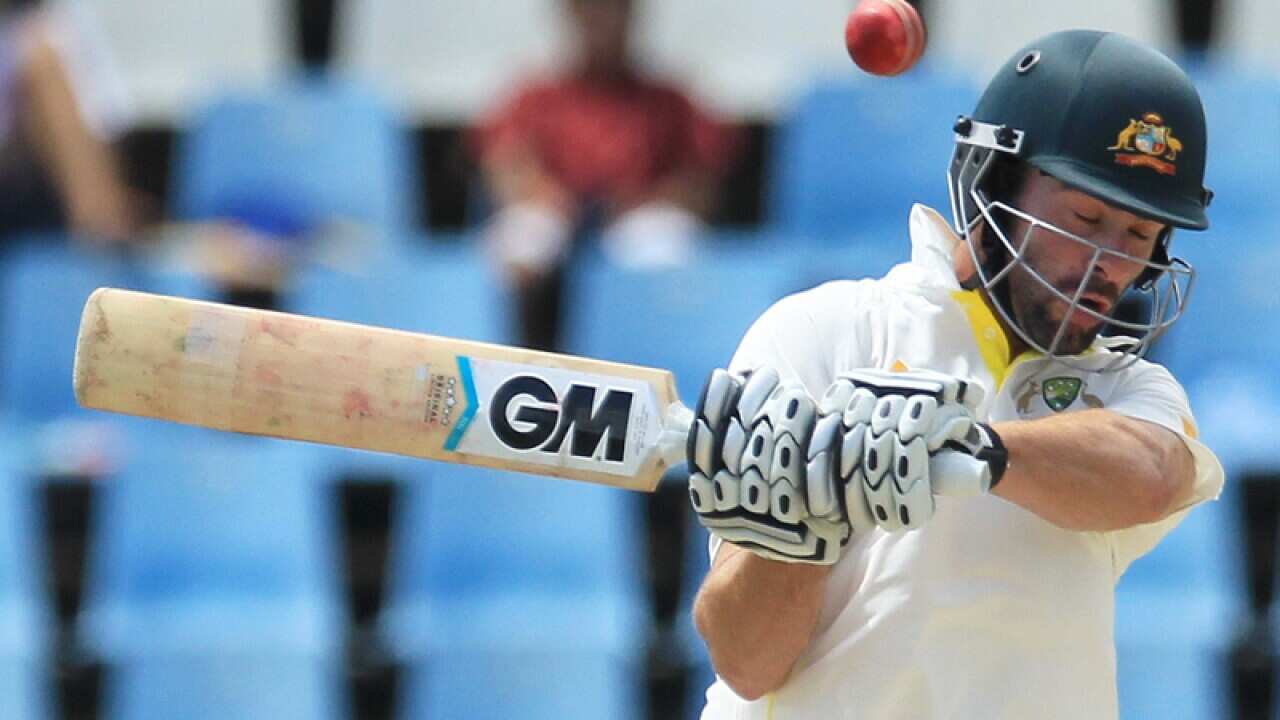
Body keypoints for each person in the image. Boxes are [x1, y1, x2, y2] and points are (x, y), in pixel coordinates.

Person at [685, 30, 1223, 719]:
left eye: (1139, 237)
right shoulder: (826, 332)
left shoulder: (1127, 389)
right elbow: (745, 662)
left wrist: (962, 445)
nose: (1109, 264)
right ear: (995, 182)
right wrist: (815, 506)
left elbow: (1151, 476)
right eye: (1085, 217)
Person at [472, 0, 737, 351]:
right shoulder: (536, 94)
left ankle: (649, 366)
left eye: (613, 9)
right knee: (522, 243)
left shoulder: (668, 99)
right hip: (556, 215)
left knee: (663, 248)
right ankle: (519, 364)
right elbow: (504, 165)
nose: (602, 21)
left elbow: (699, 182)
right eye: (591, 10)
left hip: (635, 219)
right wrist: (547, 197)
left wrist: (643, 202)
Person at [0, 0, 140, 244]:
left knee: (44, 60)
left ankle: (105, 241)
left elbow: (104, 125)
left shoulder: (55, 25)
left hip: (40, 201)